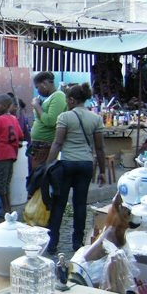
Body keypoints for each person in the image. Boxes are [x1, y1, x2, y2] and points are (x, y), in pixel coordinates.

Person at [45, 82, 106, 255]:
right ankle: (77, 243)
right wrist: (102, 171)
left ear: (71, 100)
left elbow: (57, 143)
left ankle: (53, 244)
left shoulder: (65, 117)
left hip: (67, 164)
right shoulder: (96, 118)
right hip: (86, 165)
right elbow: (100, 148)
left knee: (59, 205)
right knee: (80, 204)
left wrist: (47, 166)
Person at [0, 94, 24, 215]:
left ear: (4, 106)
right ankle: (7, 208)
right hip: (12, 153)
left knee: (0, 183)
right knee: (6, 182)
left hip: (1, 153)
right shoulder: (14, 119)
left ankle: (4, 210)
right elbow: (20, 135)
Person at [29, 71, 67, 171]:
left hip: (45, 146)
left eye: (37, 87)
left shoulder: (58, 96)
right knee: (36, 178)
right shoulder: (50, 98)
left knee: (41, 177)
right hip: (39, 146)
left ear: (45, 84)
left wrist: (37, 106)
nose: (38, 91)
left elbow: (51, 121)